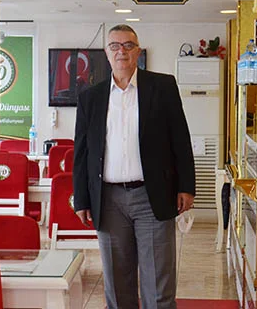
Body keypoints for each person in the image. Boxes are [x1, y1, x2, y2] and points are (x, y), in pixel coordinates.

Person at [73, 24, 196, 309]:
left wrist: (186, 186)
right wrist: (82, 199)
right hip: (108, 200)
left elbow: (180, 138)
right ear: (107, 52)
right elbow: (82, 153)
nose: (122, 51)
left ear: (137, 51)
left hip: (152, 197)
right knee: (117, 286)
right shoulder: (90, 97)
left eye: (128, 45)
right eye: (115, 46)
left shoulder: (162, 87)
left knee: (159, 285)